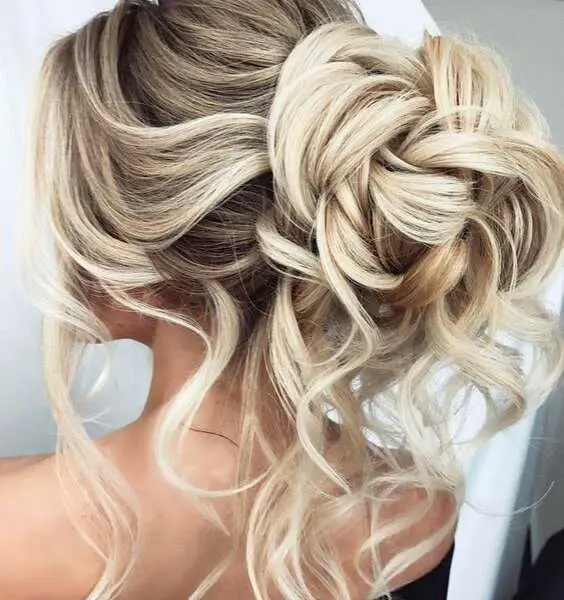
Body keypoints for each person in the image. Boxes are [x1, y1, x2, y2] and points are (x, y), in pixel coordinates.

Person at [2, 0, 563, 598]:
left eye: (71, 193)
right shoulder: (418, 521)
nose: (61, 235)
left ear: (134, 256)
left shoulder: (14, 531)